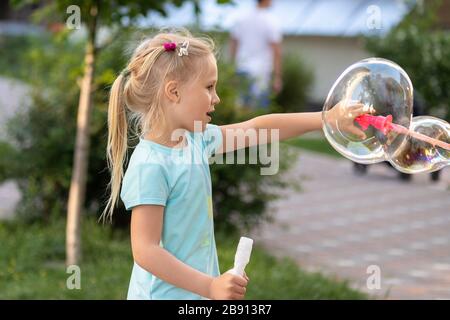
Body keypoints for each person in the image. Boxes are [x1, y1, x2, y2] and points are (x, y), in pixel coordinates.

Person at [102, 30, 367, 300]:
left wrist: (327, 119)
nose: (216, 97)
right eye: (208, 87)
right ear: (173, 91)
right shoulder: (151, 165)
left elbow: (259, 128)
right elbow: (146, 250)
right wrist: (209, 286)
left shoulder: (195, 140)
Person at [229, 0, 282, 109]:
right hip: (260, 73)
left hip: (241, 68)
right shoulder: (271, 20)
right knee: (260, 112)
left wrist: (231, 68)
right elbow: (276, 51)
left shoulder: (242, 18)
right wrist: (277, 77)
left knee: (242, 109)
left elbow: (234, 43)